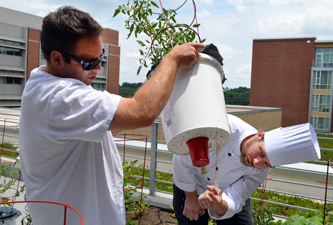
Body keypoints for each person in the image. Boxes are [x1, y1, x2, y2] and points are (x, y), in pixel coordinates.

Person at [19, 6, 205, 225]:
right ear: (57, 58)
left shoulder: (48, 80)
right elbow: (142, 112)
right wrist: (171, 59)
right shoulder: (59, 98)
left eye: (101, 57)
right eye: (89, 62)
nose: (98, 68)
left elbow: (112, 121)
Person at [172, 114, 320, 224]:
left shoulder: (261, 170)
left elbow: (235, 197)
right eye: (261, 152)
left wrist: (219, 205)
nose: (256, 162)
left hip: (228, 191)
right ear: (259, 135)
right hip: (190, 183)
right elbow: (181, 159)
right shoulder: (223, 126)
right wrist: (191, 197)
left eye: (266, 163)